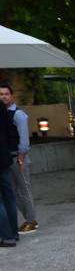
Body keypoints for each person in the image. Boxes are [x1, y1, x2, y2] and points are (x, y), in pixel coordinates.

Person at [0, 83, 38, 234]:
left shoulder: (18, 114)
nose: (3, 97)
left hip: (18, 158)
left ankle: (32, 221)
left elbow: (24, 139)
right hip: (8, 158)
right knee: (15, 192)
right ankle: (28, 219)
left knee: (24, 189)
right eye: (0, 94)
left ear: (12, 96)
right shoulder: (3, 113)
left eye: (6, 94)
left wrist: (21, 158)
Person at [0, 100, 18, 247]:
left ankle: (7, 237)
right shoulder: (0, 106)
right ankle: (14, 233)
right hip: (4, 157)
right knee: (9, 196)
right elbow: (10, 130)